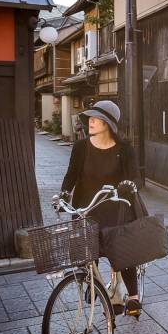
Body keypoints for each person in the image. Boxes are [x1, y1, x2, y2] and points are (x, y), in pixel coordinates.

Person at [60, 100, 144, 315]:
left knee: (121, 251)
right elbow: (71, 175)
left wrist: (129, 185)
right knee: (89, 250)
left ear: (107, 123)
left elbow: (136, 176)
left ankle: (133, 297)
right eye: (89, 118)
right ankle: (94, 284)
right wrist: (63, 194)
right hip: (87, 206)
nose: (90, 121)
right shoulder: (81, 147)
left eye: (96, 118)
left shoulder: (125, 149)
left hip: (116, 207)